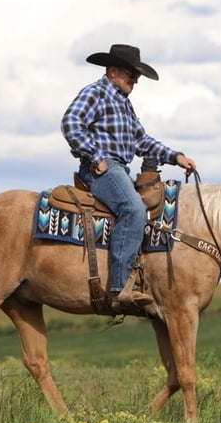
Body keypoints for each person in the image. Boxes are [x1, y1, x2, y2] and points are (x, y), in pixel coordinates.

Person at [61, 44, 196, 310]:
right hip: (102, 167)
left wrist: (176, 157)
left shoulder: (124, 104)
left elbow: (142, 141)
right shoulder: (95, 93)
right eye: (130, 74)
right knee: (134, 209)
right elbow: (71, 123)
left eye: (136, 76)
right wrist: (94, 156)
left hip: (120, 168)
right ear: (112, 71)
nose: (134, 80)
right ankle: (119, 288)